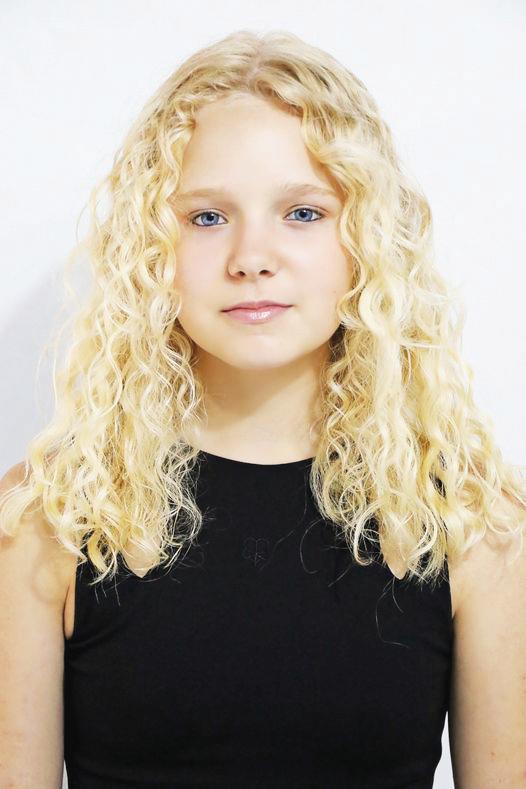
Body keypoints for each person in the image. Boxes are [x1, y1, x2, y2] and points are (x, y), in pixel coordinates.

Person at [1, 28, 525, 789]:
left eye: (303, 213)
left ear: (367, 238)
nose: (251, 257)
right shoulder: (43, 519)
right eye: (207, 217)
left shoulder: (476, 524)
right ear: (152, 247)